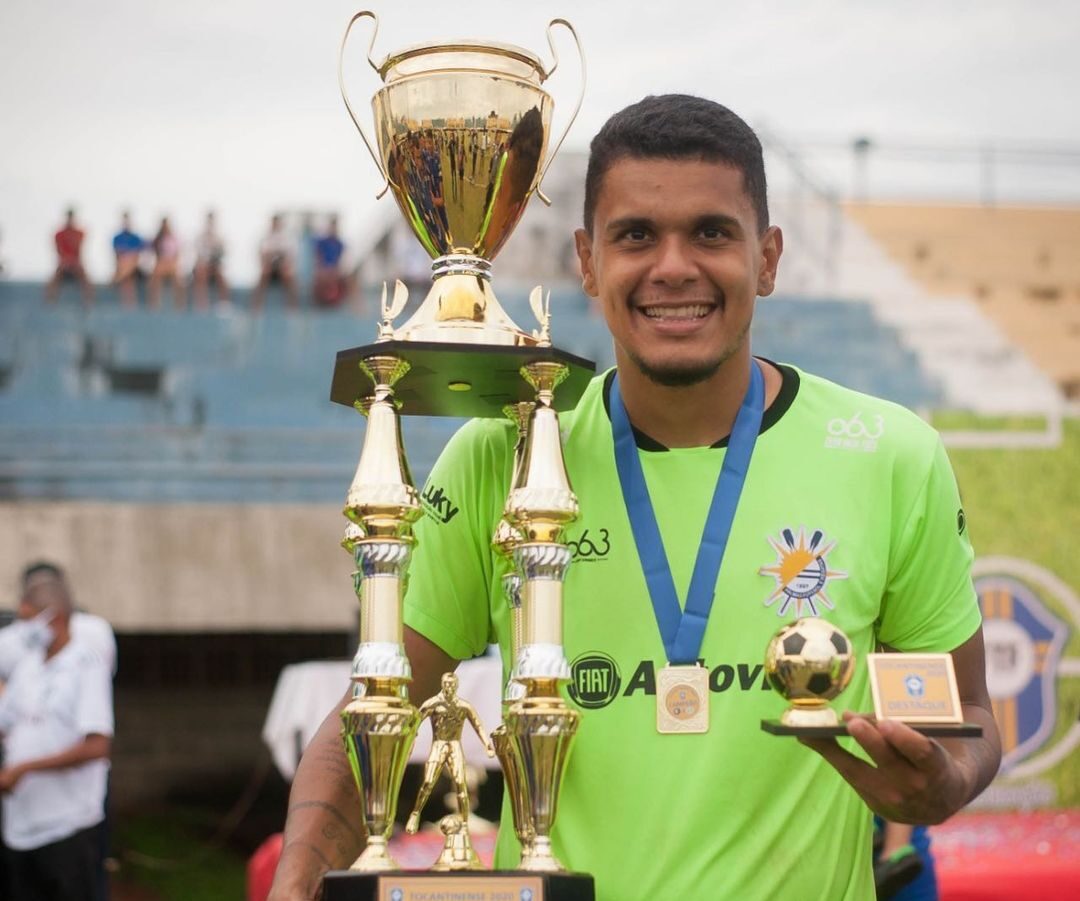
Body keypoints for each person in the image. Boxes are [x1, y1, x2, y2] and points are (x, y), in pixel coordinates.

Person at [269, 95, 1001, 901]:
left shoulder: (890, 455)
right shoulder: (504, 452)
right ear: (587, 260)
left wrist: (942, 784)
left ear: (768, 257)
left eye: (712, 232)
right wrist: (296, 882)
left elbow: (965, 715)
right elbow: (369, 711)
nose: (674, 266)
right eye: (636, 236)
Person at [0, 565, 114, 901]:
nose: (23, 629)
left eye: (29, 618)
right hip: (20, 827)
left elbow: (97, 746)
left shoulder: (87, 665)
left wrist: (24, 769)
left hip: (67, 827)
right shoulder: (27, 667)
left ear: (56, 618)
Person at [404, 672, 495, 835]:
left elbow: (477, 725)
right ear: (442, 685)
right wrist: (410, 742)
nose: (449, 688)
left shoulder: (463, 706)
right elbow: (415, 723)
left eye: (452, 685)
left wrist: (487, 743)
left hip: (454, 745)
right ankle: (415, 813)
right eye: (446, 684)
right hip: (439, 744)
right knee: (428, 783)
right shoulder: (433, 703)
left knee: (461, 784)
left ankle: (465, 823)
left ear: (456, 686)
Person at [45, 208, 94, 306]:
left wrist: (73, 262)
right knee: (53, 280)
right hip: (64, 264)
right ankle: (50, 301)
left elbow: (78, 250)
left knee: (86, 280)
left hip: (76, 264)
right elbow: (59, 251)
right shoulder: (59, 234)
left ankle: (88, 302)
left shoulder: (79, 233)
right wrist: (66, 261)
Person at [252, 214, 299, 311]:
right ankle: (257, 306)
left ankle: (292, 307)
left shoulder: (287, 237)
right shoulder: (266, 237)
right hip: (270, 267)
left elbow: (290, 256)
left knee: (289, 276)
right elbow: (263, 254)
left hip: (282, 267)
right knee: (264, 274)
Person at [191, 210, 230, 310]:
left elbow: (222, 253)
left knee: (221, 275)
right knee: (201, 273)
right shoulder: (200, 236)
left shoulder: (219, 237)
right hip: (202, 266)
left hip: (214, 266)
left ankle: (223, 303)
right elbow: (198, 255)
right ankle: (202, 304)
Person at [148, 216, 185, 310]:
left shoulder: (174, 238)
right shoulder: (157, 239)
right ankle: (154, 304)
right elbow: (155, 255)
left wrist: (172, 264)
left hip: (172, 265)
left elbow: (177, 255)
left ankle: (179, 305)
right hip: (161, 264)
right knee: (155, 277)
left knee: (178, 280)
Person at [311, 215, 348, 309]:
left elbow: (340, 260)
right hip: (323, 268)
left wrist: (335, 270)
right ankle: (317, 304)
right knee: (319, 279)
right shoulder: (322, 242)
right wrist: (322, 269)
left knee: (349, 280)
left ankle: (350, 305)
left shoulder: (339, 243)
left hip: (334, 269)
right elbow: (318, 258)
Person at [112, 211, 143, 308]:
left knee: (128, 272)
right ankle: (129, 305)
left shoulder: (136, 238)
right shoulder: (117, 238)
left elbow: (137, 257)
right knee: (127, 279)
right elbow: (117, 256)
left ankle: (118, 278)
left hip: (134, 268)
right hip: (122, 266)